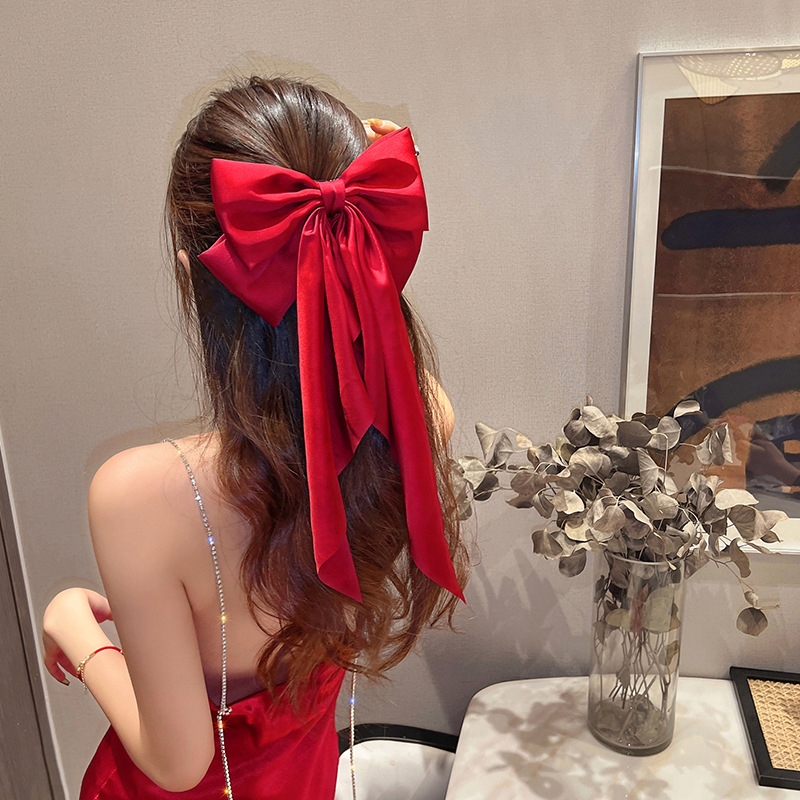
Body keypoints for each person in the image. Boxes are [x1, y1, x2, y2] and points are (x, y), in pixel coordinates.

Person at [41, 76, 468, 799]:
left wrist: (74, 628)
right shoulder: (422, 420)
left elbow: (177, 763)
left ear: (191, 271)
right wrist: (353, 235)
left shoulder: (135, 497)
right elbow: (390, 366)